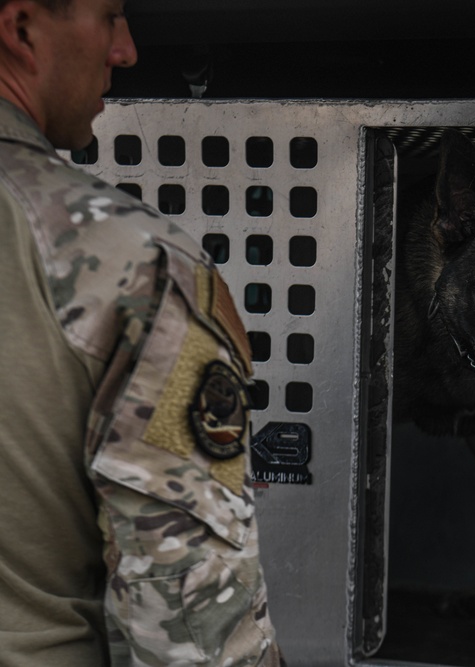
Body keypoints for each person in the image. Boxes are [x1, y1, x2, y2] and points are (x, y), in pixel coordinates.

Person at [0, 0, 283, 664]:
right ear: (20, 30)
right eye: (108, 15)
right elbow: (191, 624)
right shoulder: (137, 264)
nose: (124, 49)